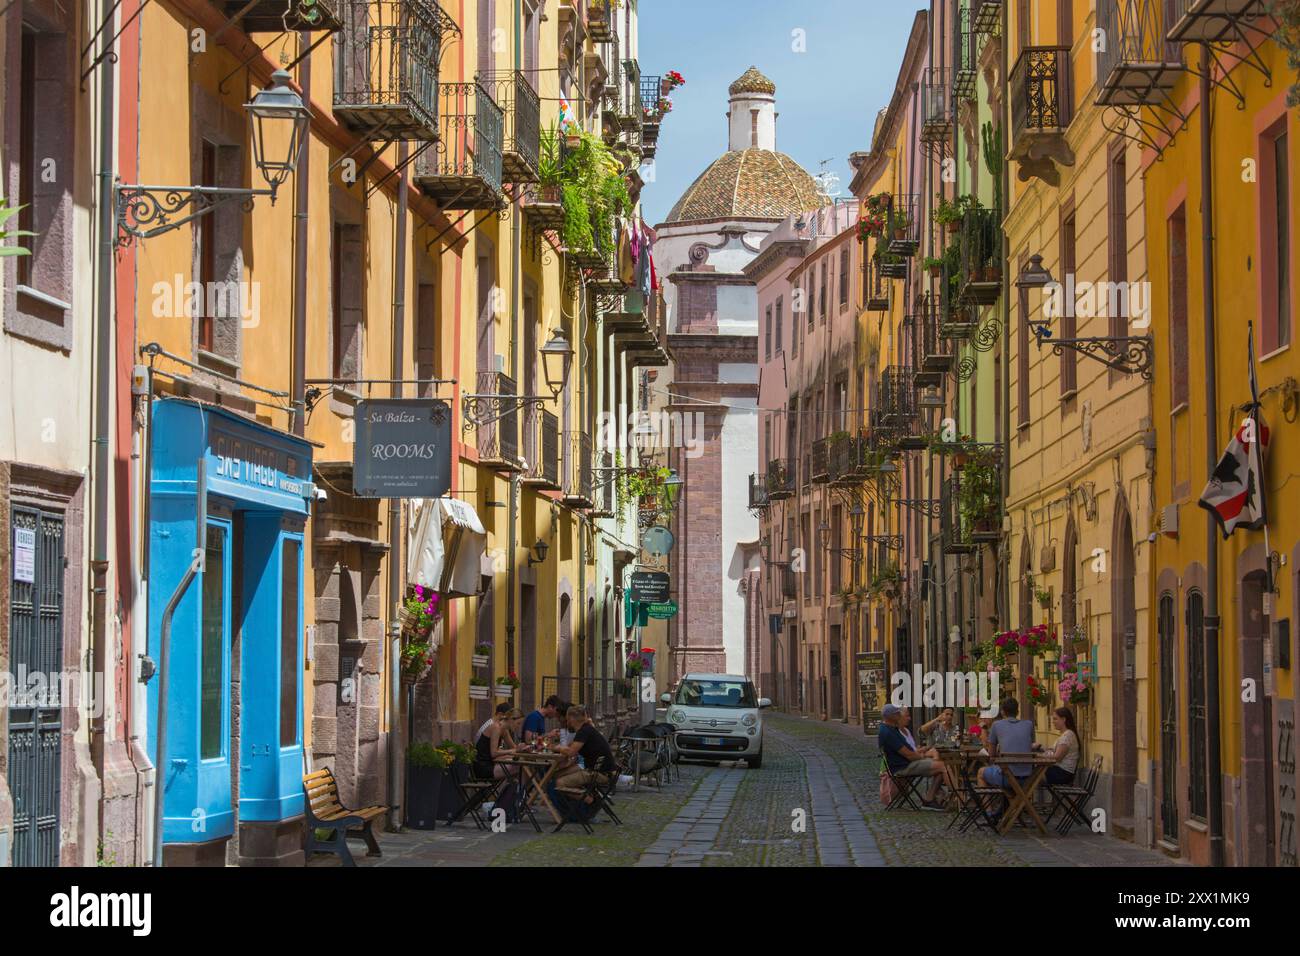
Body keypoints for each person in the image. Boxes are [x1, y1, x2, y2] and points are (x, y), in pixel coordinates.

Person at [878, 703, 946, 808]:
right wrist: (924, 756)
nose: (899, 715)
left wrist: (921, 753)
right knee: (943, 766)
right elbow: (909, 755)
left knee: (942, 765)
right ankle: (960, 797)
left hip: (905, 763)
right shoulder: (888, 732)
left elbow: (910, 751)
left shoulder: (891, 729)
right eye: (897, 714)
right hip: (903, 767)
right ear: (890, 716)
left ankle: (930, 797)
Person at [552, 705, 617, 795]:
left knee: (560, 783)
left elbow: (571, 752)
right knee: (556, 775)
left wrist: (556, 748)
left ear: (572, 719)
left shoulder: (584, 732)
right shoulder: (586, 729)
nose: (567, 723)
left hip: (599, 774)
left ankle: (590, 801)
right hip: (600, 771)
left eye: (567, 720)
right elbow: (571, 747)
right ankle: (569, 803)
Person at [978, 698, 1036, 789]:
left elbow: (991, 754)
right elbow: (1030, 745)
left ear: (1002, 712)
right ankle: (1016, 802)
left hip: (1006, 778)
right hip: (1028, 778)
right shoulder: (1029, 724)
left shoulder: (996, 725)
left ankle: (987, 803)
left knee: (981, 772)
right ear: (1017, 711)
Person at [1033, 706, 1080, 786]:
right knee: (1031, 774)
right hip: (1059, 771)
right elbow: (1054, 752)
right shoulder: (1066, 734)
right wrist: (1042, 749)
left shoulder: (1067, 736)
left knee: (1029, 776)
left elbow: (1057, 758)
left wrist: (1036, 756)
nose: (1053, 722)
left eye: (1055, 719)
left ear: (1064, 719)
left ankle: (1019, 797)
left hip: (1062, 774)